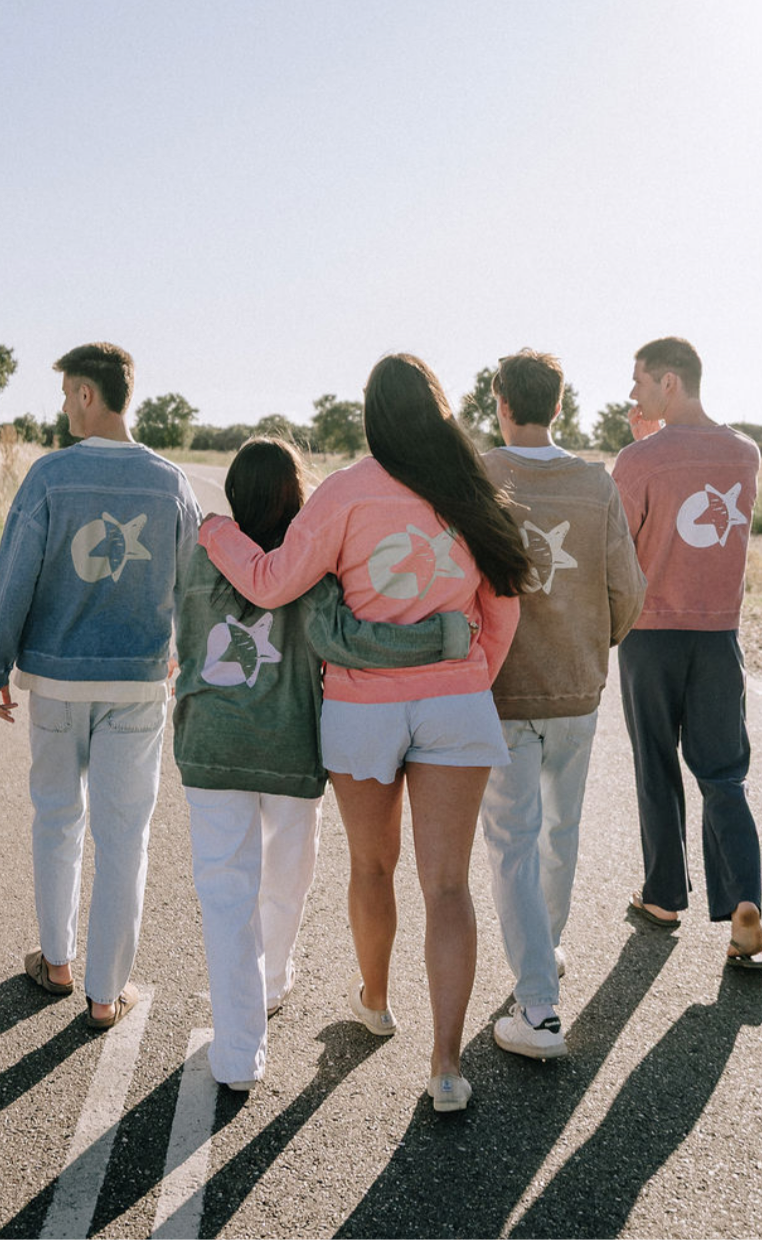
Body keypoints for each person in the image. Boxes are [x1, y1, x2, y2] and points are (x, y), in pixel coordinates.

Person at [200, 353, 530, 1112]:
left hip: (361, 709)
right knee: (448, 886)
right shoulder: (468, 489)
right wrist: (472, 674)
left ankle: (376, 1002)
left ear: (372, 416)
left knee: (372, 866)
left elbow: (272, 582)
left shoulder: (345, 491)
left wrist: (216, 532)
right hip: (454, 701)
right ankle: (445, 1064)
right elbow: (504, 603)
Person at [175, 436, 475, 1093]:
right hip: (289, 747)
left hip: (211, 746)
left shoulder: (199, 557)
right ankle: (271, 981)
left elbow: (180, 639)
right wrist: (443, 636)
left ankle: (238, 1052)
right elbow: (345, 639)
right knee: (286, 880)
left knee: (226, 895)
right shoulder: (308, 565)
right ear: (297, 497)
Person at [0, 343, 201, 1029]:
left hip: (56, 680)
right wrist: (185, 662)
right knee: (124, 836)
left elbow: (13, 576)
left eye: (66, 393)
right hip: (137, 685)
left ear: (86, 393)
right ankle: (106, 995)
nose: (63, 408)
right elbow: (194, 589)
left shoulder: (50, 477)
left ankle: (56, 961)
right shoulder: (171, 484)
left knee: (56, 816)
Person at [478, 351, 645, 1059]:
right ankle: (544, 947)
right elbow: (627, 588)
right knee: (560, 829)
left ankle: (539, 1006)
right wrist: (595, 644)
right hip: (578, 688)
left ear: (500, 403)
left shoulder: (481, 475)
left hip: (504, 689)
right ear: (559, 404)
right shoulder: (595, 482)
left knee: (512, 842)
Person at [611, 337, 762, 969]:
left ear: (669, 382)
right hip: (718, 635)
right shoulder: (745, 454)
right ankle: (743, 904)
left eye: (640, 380)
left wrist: (643, 449)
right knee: (723, 773)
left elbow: (620, 549)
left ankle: (662, 898)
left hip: (651, 635)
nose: (633, 392)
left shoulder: (638, 461)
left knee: (656, 762)